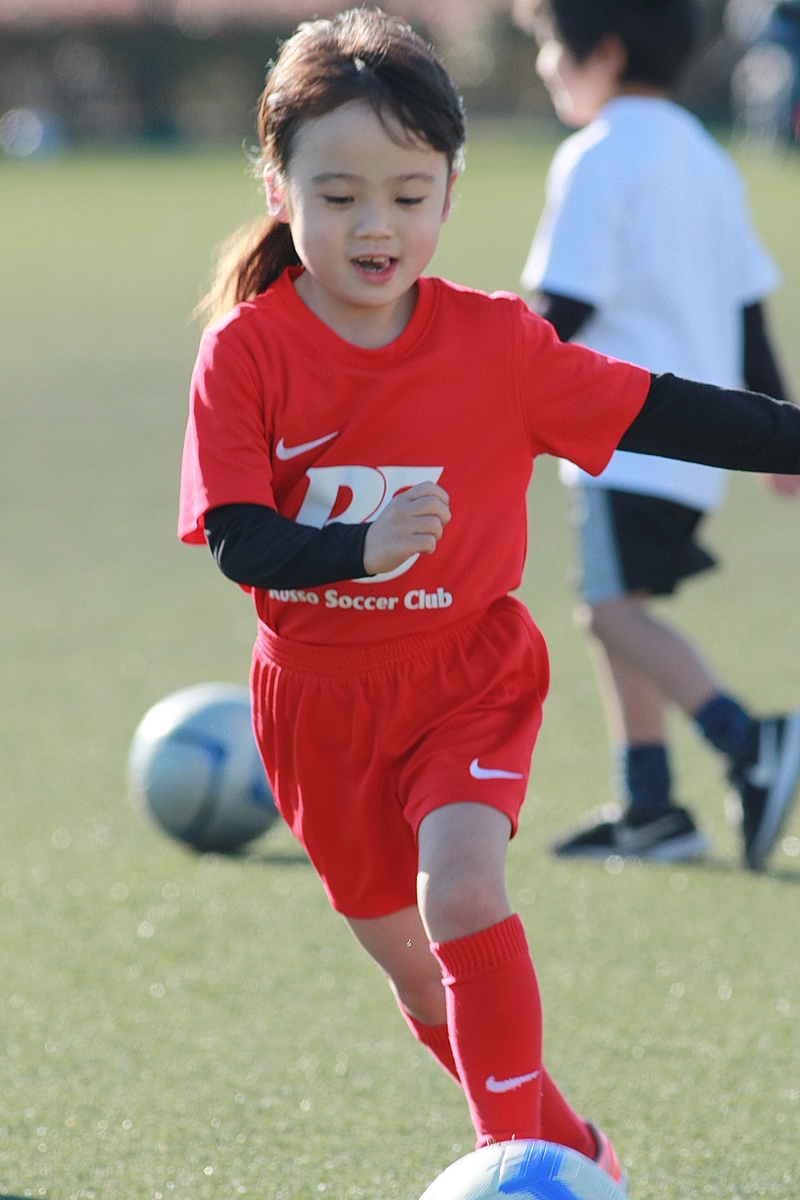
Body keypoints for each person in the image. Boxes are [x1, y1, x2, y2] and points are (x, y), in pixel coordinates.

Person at [177, 7, 800, 1182]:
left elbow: (663, 406)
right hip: (314, 707)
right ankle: (570, 1151)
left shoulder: (496, 345)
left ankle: (507, 1154)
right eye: (340, 194)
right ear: (278, 184)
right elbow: (241, 541)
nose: (376, 226)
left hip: (465, 676)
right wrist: (357, 550)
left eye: (408, 197)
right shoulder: (247, 354)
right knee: (416, 971)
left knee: (461, 890)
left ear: (449, 192)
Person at [515, 0, 800, 869]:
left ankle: (750, 740)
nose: (544, 68)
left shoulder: (597, 155)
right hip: (697, 441)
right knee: (620, 606)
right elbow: (748, 303)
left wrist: (484, 380)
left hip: (622, 432)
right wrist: (781, 435)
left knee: (607, 614)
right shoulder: (705, 155)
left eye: (549, 49)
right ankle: (651, 809)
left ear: (602, 51)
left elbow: (562, 304)